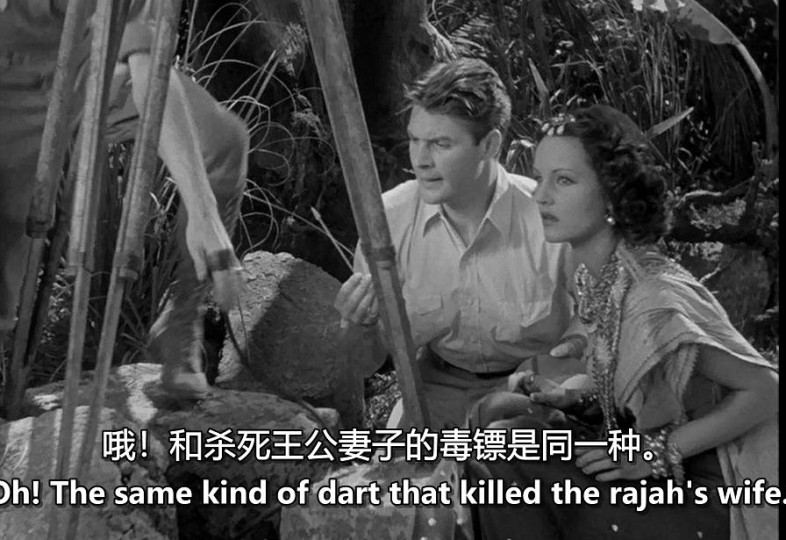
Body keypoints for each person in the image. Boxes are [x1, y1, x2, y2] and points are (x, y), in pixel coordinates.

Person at [465, 105, 779, 539]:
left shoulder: (652, 295)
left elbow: (766, 390)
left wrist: (655, 453)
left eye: (564, 180)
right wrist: (574, 398)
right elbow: (637, 382)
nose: (540, 196)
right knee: (502, 418)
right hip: (651, 449)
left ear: (613, 196)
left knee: (505, 465)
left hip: (719, 482)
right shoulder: (594, 277)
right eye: (539, 177)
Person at [0, 0, 248, 401]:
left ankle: (180, 325)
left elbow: (148, 63)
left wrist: (206, 214)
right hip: (8, 78)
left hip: (87, 66)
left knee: (222, 142)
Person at [334, 57, 585, 430]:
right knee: (401, 466)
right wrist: (359, 327)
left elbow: (603, 318)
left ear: (489, 145)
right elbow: (367, 363)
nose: (420, 160)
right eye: (415, 140)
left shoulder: (549, 217)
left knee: (506, 451)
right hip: (436, 386)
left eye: (441, 144)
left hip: (535, 383)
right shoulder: (387, 223)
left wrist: (572, 355)